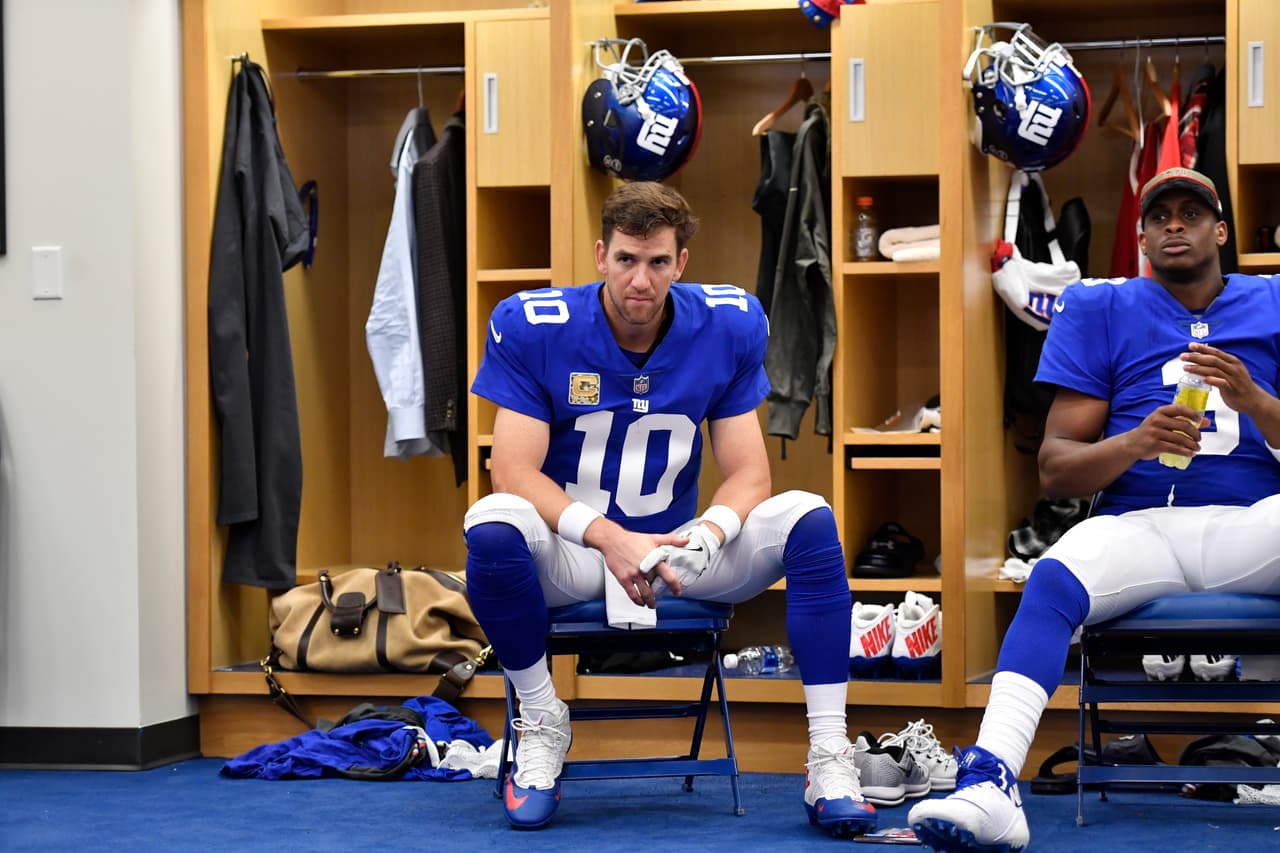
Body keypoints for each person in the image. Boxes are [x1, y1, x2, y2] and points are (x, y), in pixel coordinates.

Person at [463, 181, 877, 835]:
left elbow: (749, 473)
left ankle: (829, 754)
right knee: (490, 523)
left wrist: (709, 532)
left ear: (681, 263)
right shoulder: (537, 326)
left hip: (678, 554)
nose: (640, 279)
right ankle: (542, 719)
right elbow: (512, 470)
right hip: (576, 548)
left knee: (810, 515)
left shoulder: (728, 322)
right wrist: (607, 536)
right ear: (601, 254)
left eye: (658, 261)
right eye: (627, 259)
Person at [909, 167, 1280, 852]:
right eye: (1159, 213)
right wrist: (1135, 442)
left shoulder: (1274, 301)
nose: (1175, 223)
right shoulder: (1101, 305)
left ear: (1221, 230)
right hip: (1142, 529)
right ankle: (991, 783)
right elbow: (1054, 468)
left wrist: (1257, 402)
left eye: (1191, 213)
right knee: (1052, 576)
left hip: (1252, 524)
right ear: (1139, 235)